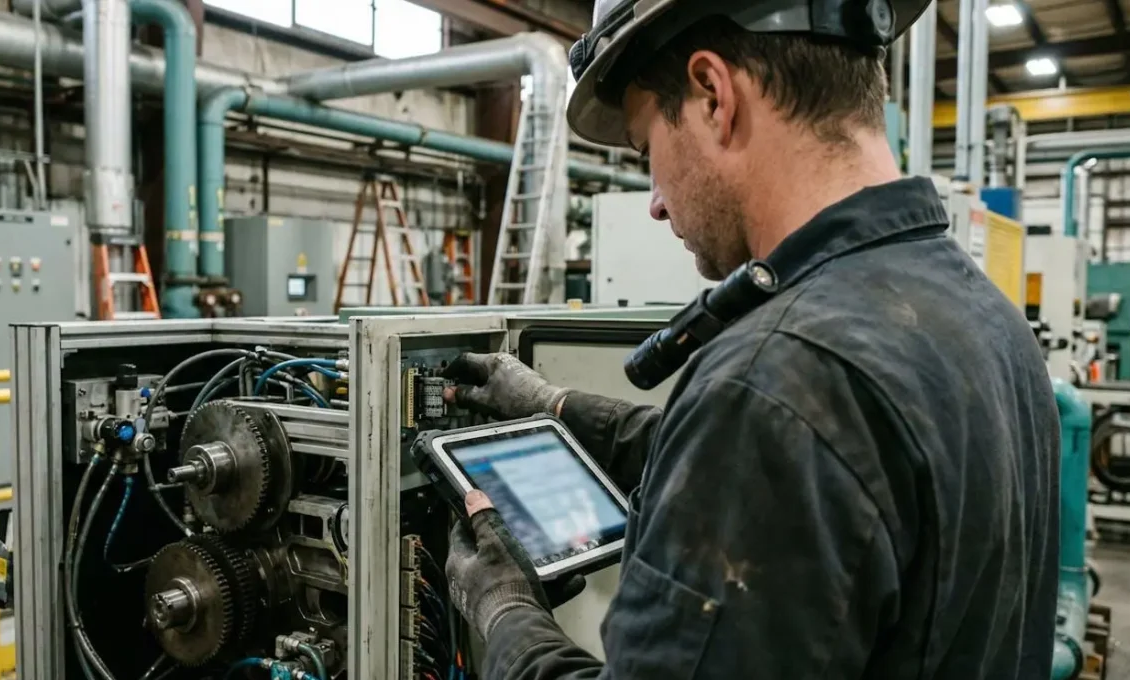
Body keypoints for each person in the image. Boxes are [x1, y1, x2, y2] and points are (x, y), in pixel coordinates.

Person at [441, 1, 1061, 678]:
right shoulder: (985, 316)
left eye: (648, 149)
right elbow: (798, 477)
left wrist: (505, 613)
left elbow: (769, 440)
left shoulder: (772, 383)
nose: (653, 200)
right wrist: (555, 405)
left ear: (713, 96)